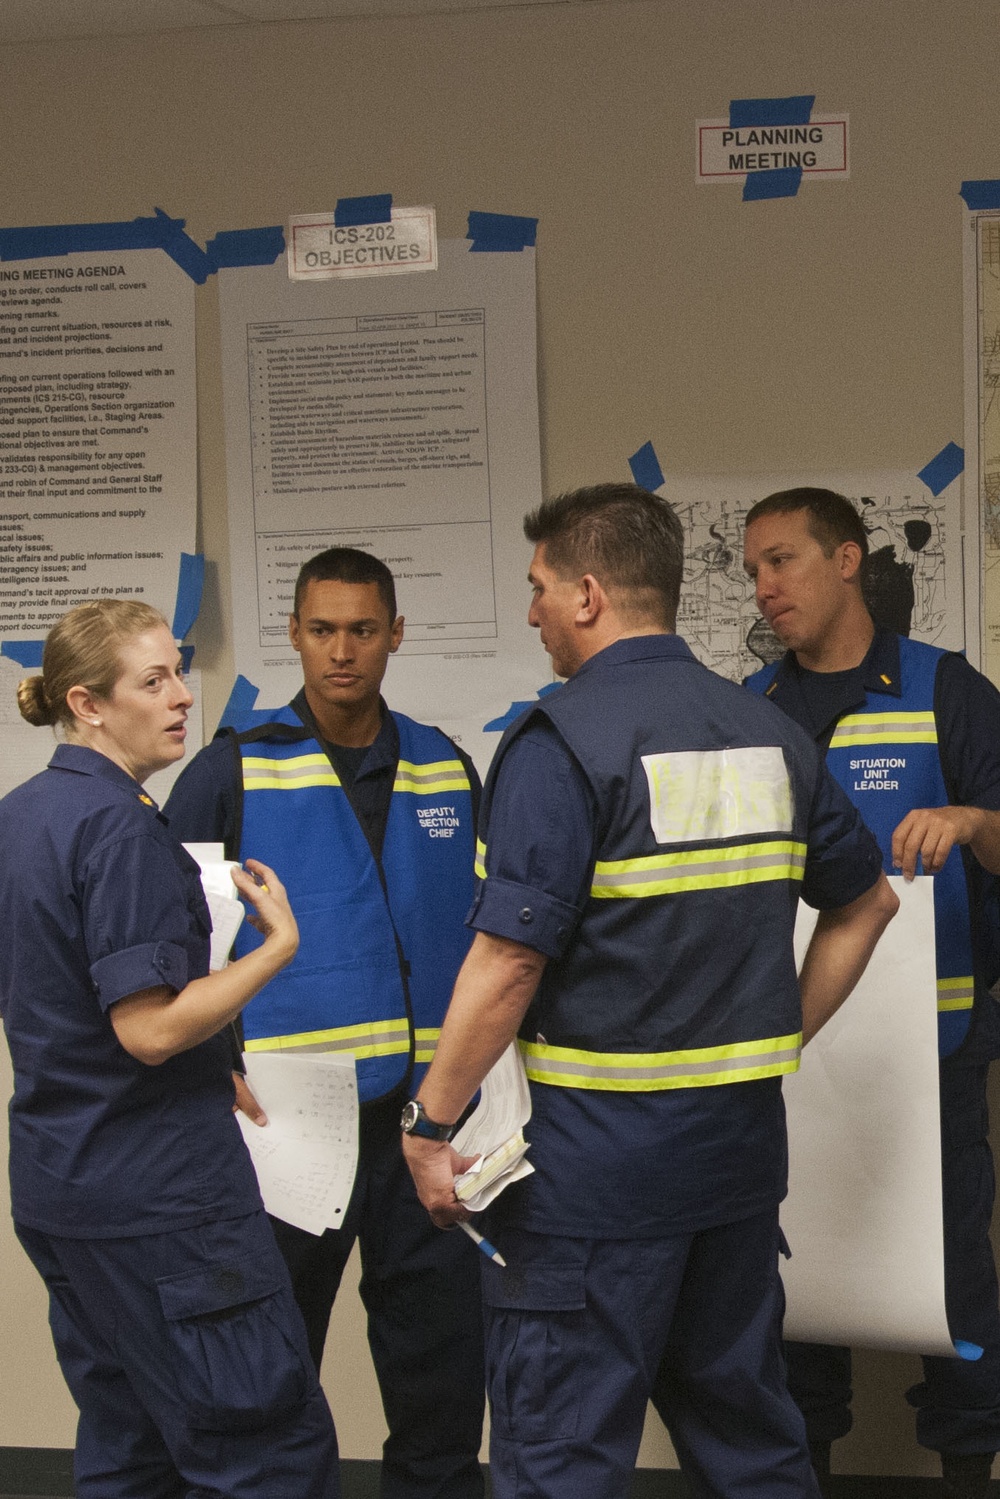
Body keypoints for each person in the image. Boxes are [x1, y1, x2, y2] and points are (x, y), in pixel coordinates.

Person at [402, 482, 898, 1499]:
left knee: (559, 1459)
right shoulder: (764, 731)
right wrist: (779, 1031)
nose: (530, 607)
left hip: (592, 1189)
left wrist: (428, 1119)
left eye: (539, 586)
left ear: (588, 593)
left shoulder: (561, 742)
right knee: (753, 1442)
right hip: (733, 1171)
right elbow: (867, 904)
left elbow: (507, 962)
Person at [164, 547, 485, 1499]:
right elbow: (173, 934)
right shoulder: (233, 769)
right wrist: (212, 1058)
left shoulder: (447, 766)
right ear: (296, 634)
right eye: (321, 629)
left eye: (361, 629)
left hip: (423, 1123)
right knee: (271, 1360)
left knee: (440, 1368)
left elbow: (489, 931)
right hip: (285, 1121)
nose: (341, 651)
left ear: (394, 634)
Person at [0, 599, 339, 1499]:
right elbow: (146, 1029)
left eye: (179, 671)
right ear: (88, 703)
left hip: (62, 1184)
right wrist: (274, 948)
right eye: (153, 680)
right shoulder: (119, 829)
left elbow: (55, 991)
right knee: (263, 1449)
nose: (184, 697)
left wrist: (208, 1060)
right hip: (162, 1200)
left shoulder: (22, 815)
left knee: (130, 1442)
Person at [743, 487, 1000, 1499]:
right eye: (754, 567)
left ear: (846, 558)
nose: (764, 587)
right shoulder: (750, 708)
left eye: (782, 561)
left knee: (952, 1271)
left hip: (931, 1050)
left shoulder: (945, 688)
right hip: (792, 1047)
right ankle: (799, 1466)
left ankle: (969, 1462)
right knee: (794, 1265)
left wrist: (970, 819)